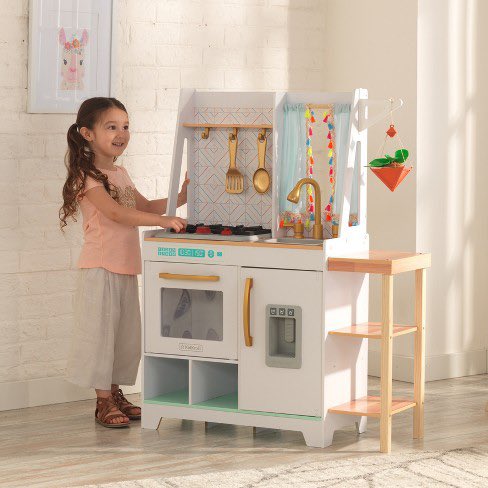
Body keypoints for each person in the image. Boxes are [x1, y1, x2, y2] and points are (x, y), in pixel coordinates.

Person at [59, 97, 188, 428]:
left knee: (123, 335)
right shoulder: (86, 177)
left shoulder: (120, 173)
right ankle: (102, 400)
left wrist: (183, 196)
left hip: (126, 266)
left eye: (126, 126)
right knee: (100, 335)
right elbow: (117, 213)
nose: (121, 133)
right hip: (100, 267)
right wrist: (161, 222)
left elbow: (145, 205)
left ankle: (116, 392)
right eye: (112, 126)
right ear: (87, 133)